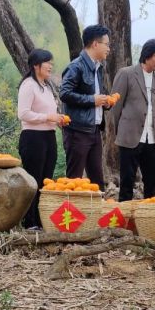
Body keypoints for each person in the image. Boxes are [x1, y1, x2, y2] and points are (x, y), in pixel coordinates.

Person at [110, 39, 155, 201]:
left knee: (152, 183)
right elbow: (116, 107)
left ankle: (149, 220)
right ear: (147, 54)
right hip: (130, 136)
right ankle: (124, 220)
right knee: (127, 180)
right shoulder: (126, 74)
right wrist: (121, 131)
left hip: (152, 139)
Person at [17, 49, 67, 229]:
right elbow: (23, 113)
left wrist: (57, 119)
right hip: (33, 138)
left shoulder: (46, 86)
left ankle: (40, 220)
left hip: (49, 136)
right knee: (34, 180)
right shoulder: (28, 85)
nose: (50, 66)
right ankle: (28, 221)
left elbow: (49, 113)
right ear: (36, 65)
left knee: (46, 180)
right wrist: (47, 117)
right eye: (47, 62)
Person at [59, 24, 111, 190]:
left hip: (94, 130)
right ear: (95, 44)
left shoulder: (98, 68)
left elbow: (95, 96)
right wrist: (92, 100)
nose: (108, 49)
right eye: (107, 44)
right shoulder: (77, 66)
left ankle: (95, 214)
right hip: (77, 131)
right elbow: (64, 93)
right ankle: (68, 215)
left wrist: (105, 102)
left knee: (97, 181)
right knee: (74, 179)